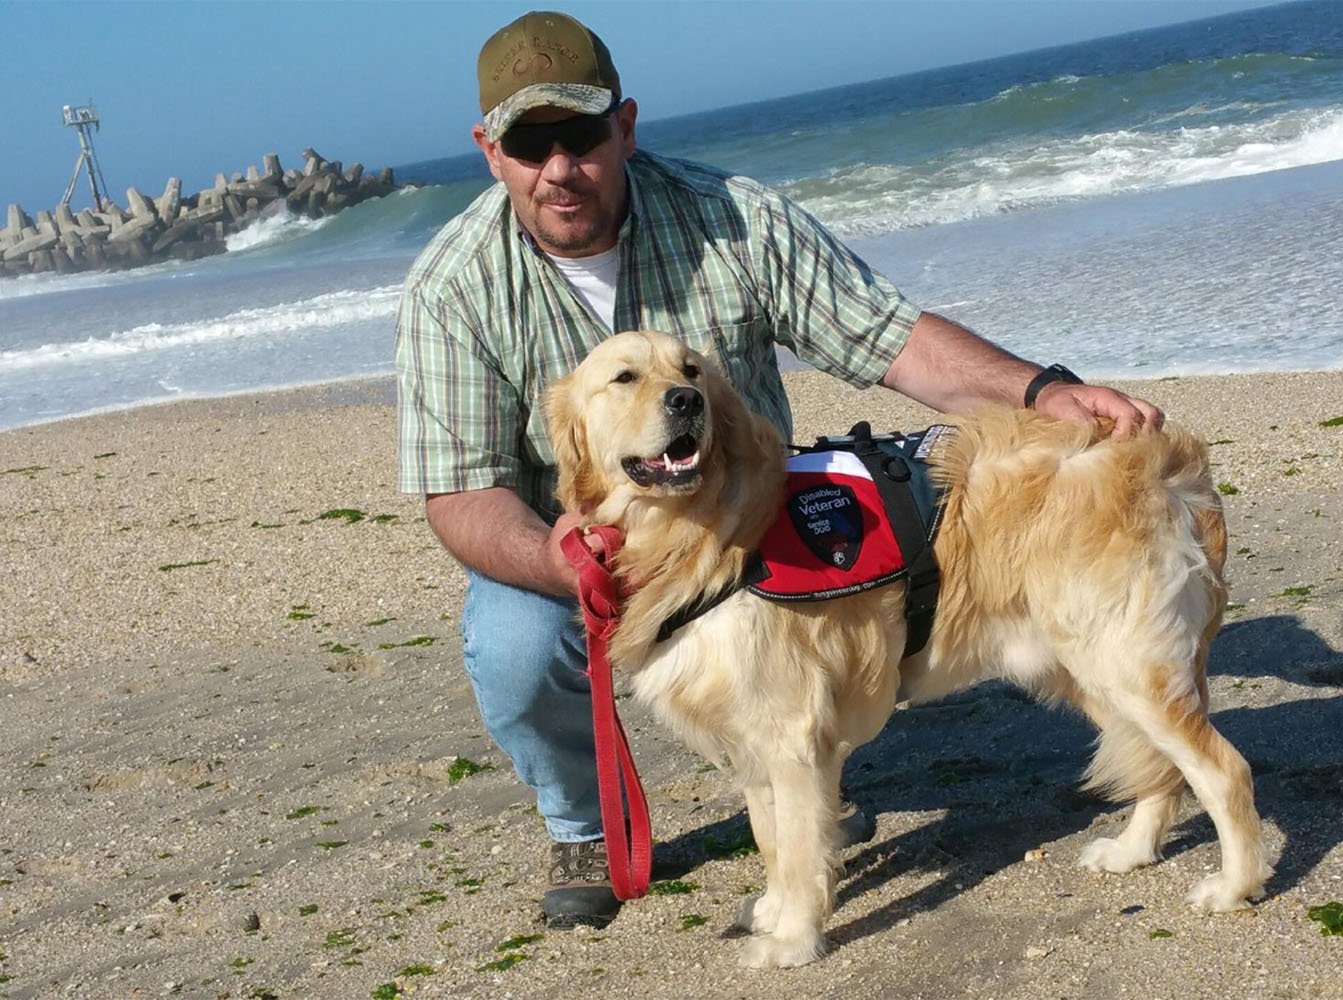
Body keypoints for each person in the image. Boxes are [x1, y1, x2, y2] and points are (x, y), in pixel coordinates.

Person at [395, 9, 1163, 929]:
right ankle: (581, 825)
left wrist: (1039, 390)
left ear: (625, 127)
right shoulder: (454, 286)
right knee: (515, 648)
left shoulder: (733, 219)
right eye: (531, 143)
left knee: (792, 671)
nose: (560, 168)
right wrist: (563, 559)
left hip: (748, 521)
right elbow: (460, 491)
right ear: (490, 150)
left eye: (582, 136)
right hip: (570, 540)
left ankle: (798, 767)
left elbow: (890, 340)